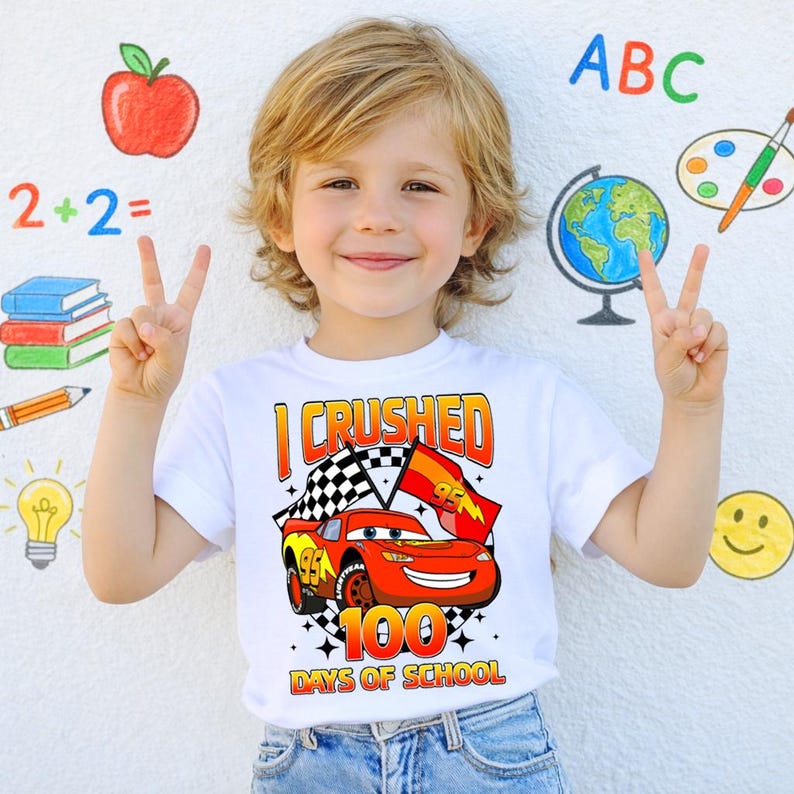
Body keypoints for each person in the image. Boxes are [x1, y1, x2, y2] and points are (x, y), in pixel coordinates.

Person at [82, 17, 728, 793]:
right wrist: (133, 402)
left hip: (489, 751)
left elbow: (669, 557)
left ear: (473, 222)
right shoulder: (236, 402)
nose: (378, 214)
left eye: (418, 185)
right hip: (310, 760)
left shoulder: (530, 398)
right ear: (283, 217)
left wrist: (691, 412)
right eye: (339, 182)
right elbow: (119, 573)